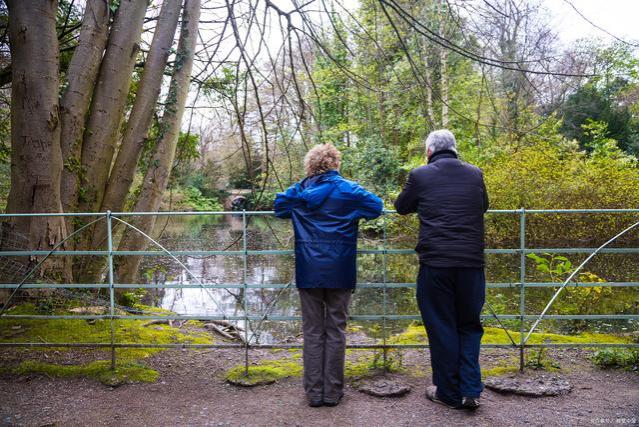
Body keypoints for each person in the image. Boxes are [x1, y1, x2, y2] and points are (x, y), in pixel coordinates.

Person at [274, 143, 383, 408]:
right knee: (336, 330)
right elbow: (376, 207)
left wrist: (304, 184)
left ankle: (314, 393)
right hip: (341, 270)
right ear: (336, 164)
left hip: (309, 270)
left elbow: (280, 206)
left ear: (310, 166)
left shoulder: (300, 191)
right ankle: (332, 393)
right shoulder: (349, 190)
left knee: (312, 331)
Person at [394, 129, 488, 410]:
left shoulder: (420, 175)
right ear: (455, 149)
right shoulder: (475, 173)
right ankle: (470, 389)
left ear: (429, 152)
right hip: (471, 264)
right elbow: (483, 205)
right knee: (469, 325)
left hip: (436, 264)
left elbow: (401, 207)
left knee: (441, 326)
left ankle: (447, 392)